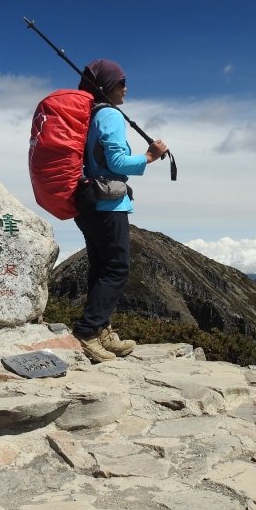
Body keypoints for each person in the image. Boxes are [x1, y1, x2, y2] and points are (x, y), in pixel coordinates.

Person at [72, 59, 169, 363]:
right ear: (106, 87)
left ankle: (102, 330)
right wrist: (149, 157)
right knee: (116, 268)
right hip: (108, 203)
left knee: (101, 268)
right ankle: (87, 333)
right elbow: (116, 163)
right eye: (121, 82)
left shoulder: (87, 116)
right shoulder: (111, 116)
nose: (126, 87)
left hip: (86, 202)